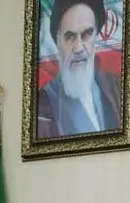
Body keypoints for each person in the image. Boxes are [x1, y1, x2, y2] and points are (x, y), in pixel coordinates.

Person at [36, 0, 122, 139]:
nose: (78, 48)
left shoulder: (116, 86)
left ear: (96, 35)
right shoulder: (42, 104)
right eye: (70, 37)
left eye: (87, 34)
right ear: (58, 41)